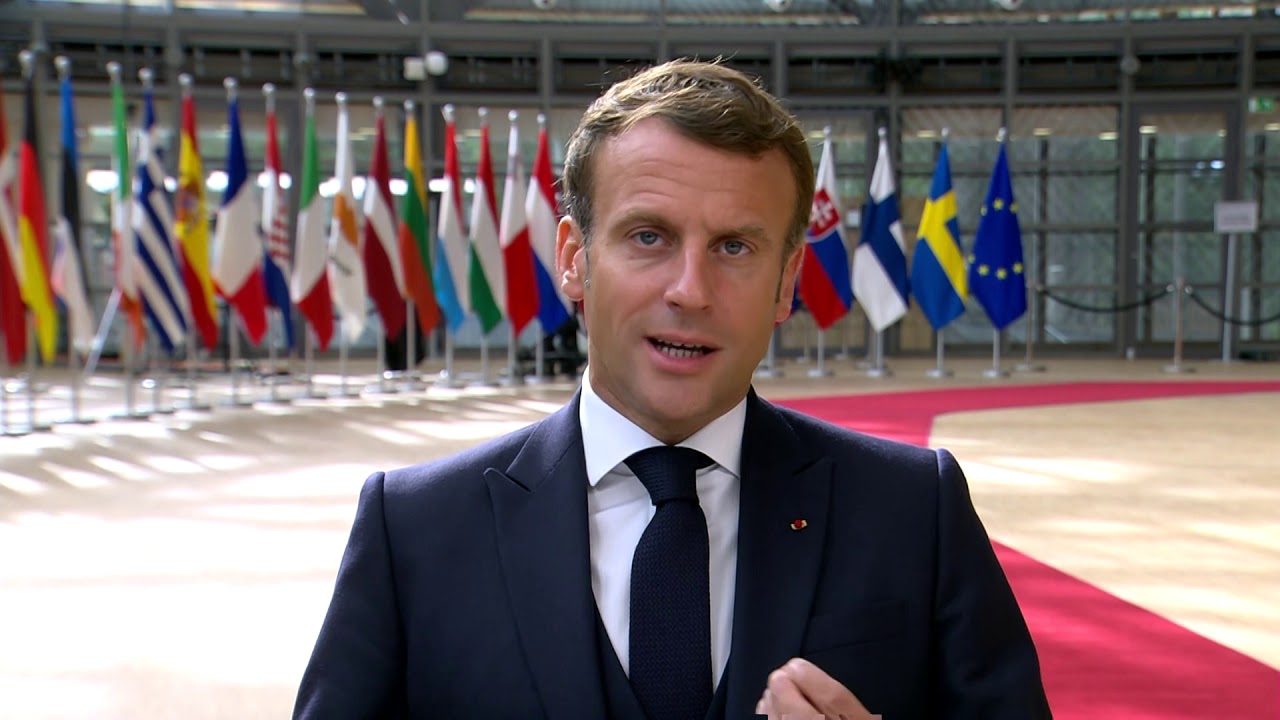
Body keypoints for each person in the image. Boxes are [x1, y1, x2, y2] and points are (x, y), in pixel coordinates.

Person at [292, 59, 1051, 720]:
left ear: (787, 280)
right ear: (574, 259)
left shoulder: (914, 512)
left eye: (734, 246)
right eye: (648, 236)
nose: (691, 289)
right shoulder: (414, 531)